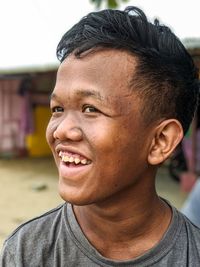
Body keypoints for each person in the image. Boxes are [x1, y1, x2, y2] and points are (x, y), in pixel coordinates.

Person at [1, 6, 200, 266]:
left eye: (90, 109)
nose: (60, 130)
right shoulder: (27, 251)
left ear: (160, 141)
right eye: (58, 109)